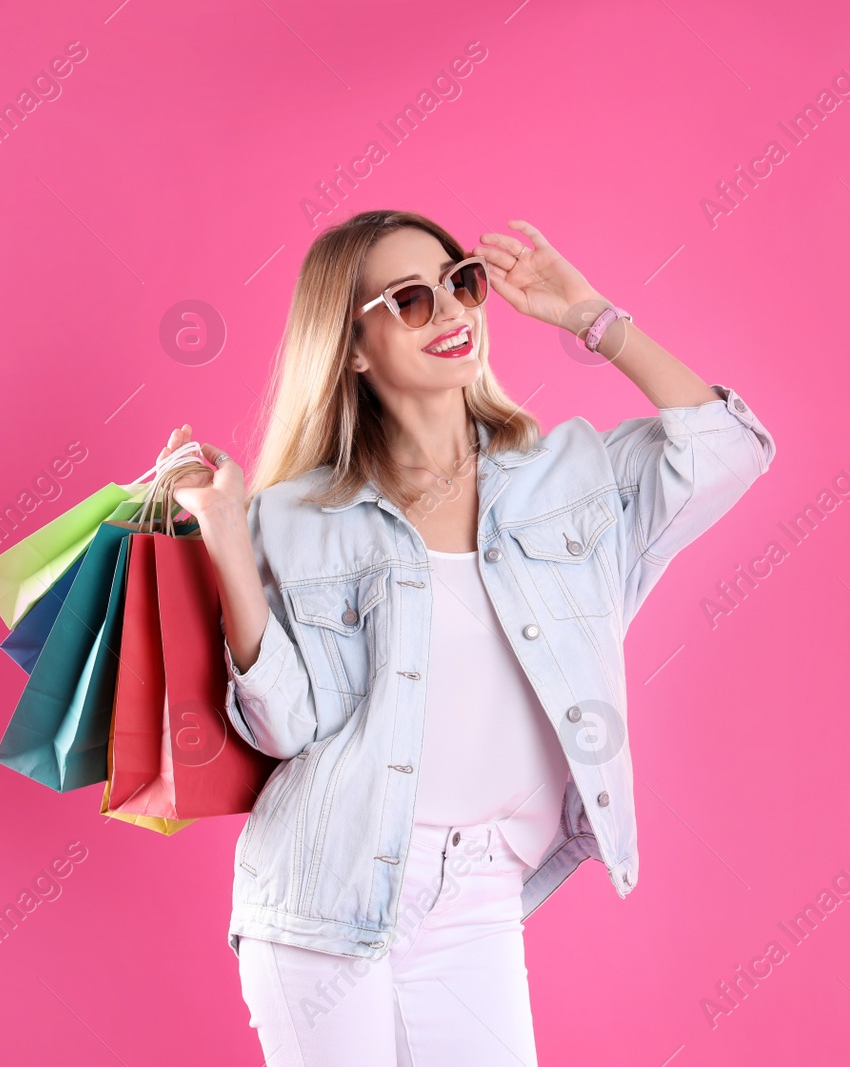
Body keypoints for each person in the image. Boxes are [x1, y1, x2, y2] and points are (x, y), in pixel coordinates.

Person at [159, 209, 775, 1065]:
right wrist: (228, 532)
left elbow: (730, 452)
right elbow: (283, 728)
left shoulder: (567, 477)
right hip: (322, 888)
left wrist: (592, 318)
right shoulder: (295, 518)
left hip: (478, 887)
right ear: (354, 348)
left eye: (461, 283)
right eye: (410, 300)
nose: (451, 313)